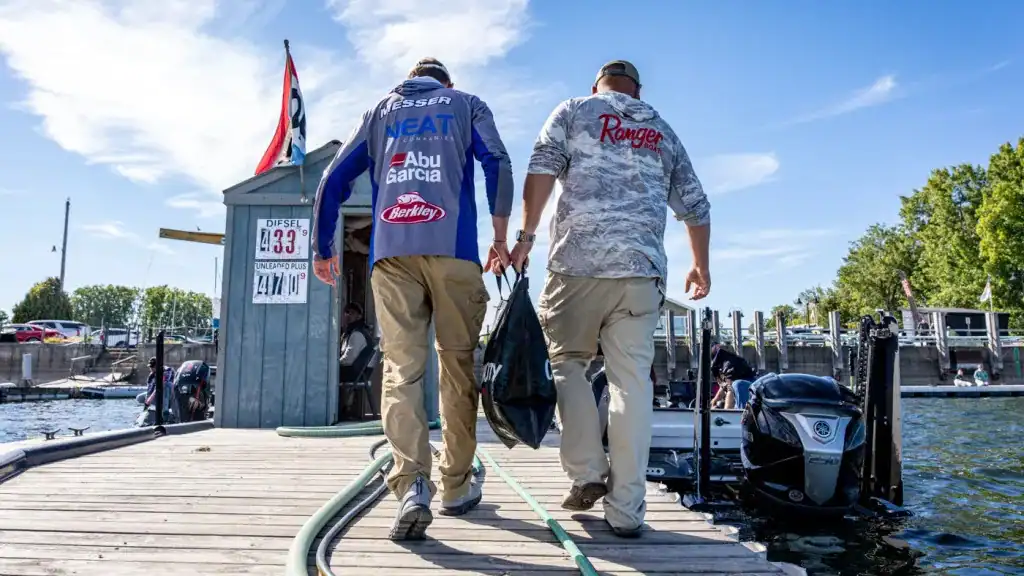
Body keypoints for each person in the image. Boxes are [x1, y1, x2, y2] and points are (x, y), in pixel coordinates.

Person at [311, 57, 513, 540]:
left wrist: (322, 248)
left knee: (402, 370)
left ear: (411, 78)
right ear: (448, 82)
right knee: (459, 364)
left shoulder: (380, 110)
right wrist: (501, 238)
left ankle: (411, 486)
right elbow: (498, 162)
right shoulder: (467, 105)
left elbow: (332, 181)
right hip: (456, 249)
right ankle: (457, 486)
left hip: (392, 252)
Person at [509, 60, 711, 538]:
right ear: (636, 91)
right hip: (640, 273)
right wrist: (701, 265)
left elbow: (540, 168)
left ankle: (587, 471)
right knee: (631, 385)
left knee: (567, 364)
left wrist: (526, 236)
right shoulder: (661, 130)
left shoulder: (576, 109)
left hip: (576, 264)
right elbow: (696, 205)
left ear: (596, 86)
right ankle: (626, 510)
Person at [709, 343, 756, 409]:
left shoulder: (729, 364)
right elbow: (724, 386)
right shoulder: (720, 363)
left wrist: (727, 413)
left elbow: (730, 389)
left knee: (735, 385)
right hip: (738, 390)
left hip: (747, 391)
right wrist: (714, 401)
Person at [339, 302, 373, 383]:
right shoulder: (349, 333)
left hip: (354, 373)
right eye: (347, 312)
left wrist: (334, 363)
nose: (349, 315)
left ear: (359, 316)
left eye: (353, 313)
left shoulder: (357, 334)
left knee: (325, 373)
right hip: (357, 373)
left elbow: (349, 359)